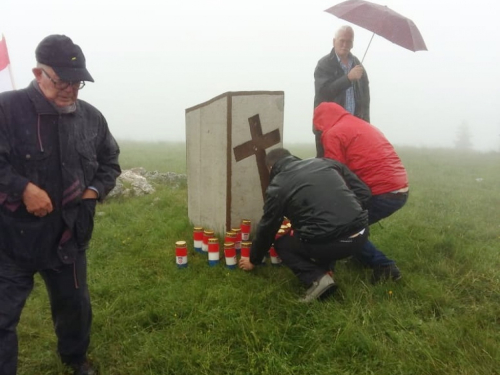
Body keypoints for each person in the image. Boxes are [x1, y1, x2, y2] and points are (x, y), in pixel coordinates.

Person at [0, 35, 121, 375]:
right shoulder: (6, 109)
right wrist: (22, 188)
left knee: (74, 306)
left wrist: (92, 191)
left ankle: (75, 359)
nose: (71, 89)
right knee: (2, 318)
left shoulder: (91, 118)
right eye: (62, 81)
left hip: (68, 234)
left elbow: (109, 161)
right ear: (39, 74)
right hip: (11, 239)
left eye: (78, 82)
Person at [239, 148, 371, 302]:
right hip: (361, 234)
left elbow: (268, 227)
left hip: (331, 243)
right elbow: (364, 192)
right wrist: (347, 214)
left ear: (270, 168)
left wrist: (253, 259)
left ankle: (317, 279)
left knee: (283, 243)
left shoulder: (279, 185)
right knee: (324, 229)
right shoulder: (326, 162)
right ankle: (327, 269)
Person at [313, 101, 408, 283]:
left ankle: (384, 266)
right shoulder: (360, 124)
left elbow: (334, 173)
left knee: (341, 227)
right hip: (399, 188)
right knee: (353, 224)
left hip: (381, 191)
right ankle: (359, 257)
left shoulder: (333, 133)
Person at [313, 25, 370, 157]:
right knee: (330, 171)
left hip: (355, 130)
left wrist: (366, 127)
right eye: (341, 40)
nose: (345, 45)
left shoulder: (358, 66)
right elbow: (323, 93)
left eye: (349, 41)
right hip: (329, 129)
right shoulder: (324, 64)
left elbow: (365, 101)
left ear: (353, 44)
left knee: (352, 172)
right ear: (334, 42)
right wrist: (348, 78)